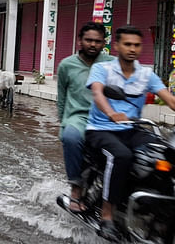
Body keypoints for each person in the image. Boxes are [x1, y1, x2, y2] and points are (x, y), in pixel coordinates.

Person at [85, 26, 175, 240]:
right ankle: (107, 215)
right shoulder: (102, 69)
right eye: (128, 44)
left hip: (132, 129)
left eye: (137, 45)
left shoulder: (146, 74)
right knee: (121, 156)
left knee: (166, 156)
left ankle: (159, 217)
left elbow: (172, 100)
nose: (132, 49)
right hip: (102, 129)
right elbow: (97, 93)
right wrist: (111, 113)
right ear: (117, 46)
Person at [56, 22, 114, 213]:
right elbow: (62, 97)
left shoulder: (112, 63)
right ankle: (76, 188)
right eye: (88, 40)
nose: (93, 44)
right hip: (78, 117)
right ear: (79, 40)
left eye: (97, 41)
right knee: (71, 138)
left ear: (103, 43)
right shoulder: (66, 65)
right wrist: (63, 124)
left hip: (106, 118)